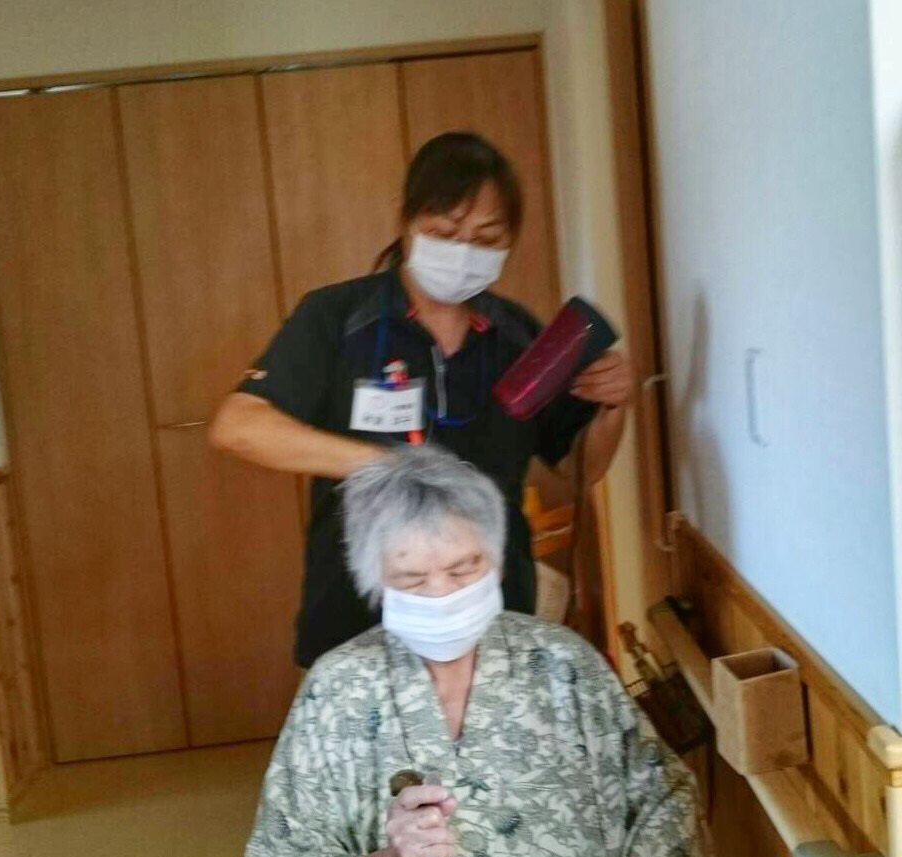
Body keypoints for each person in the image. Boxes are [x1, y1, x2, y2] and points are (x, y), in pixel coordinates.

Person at [210, 131, 634, 669]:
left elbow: (579, 469)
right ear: (405, 218)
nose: (463, 253)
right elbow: (238, 426)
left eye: (486, 238)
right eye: (444, 233)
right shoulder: (337, 319)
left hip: (491, 615)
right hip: (359, 615)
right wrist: (384, 464)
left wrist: (614, 408)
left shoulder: (520, 339)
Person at [243, 447, 718, 857]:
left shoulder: (563, 665)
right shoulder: (337, 689)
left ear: (495, 562)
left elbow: (657, 799)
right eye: (413, 579)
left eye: (462, 570)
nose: (442, 594)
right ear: (377, 584)